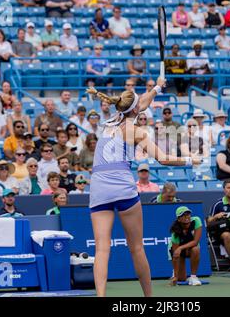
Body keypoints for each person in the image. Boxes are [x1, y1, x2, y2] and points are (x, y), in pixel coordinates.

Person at [85, 77, 198, 297]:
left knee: (101, 249)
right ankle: (148, 298)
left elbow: (141, 103)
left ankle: (100, 296)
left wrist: (156, 87)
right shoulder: (137, 131)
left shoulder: (108, 122)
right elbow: (163, 159)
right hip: (122, 186)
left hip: (98, 187)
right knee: (136, 248)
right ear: (136, 108)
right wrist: (189, 160)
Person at [169, 206, 203, 286]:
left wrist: (181, 248)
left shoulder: (196, 220)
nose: (187, 217)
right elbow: (175, 256)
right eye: (183, 215)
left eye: (188, 214)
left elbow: (195, 241)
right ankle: (175, 273)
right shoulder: (175, 233)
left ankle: (193, 277)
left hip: (189, 248)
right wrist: (176, 277)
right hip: (178, 252)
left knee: (196, 249)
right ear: (179, 219)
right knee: (181, 279)